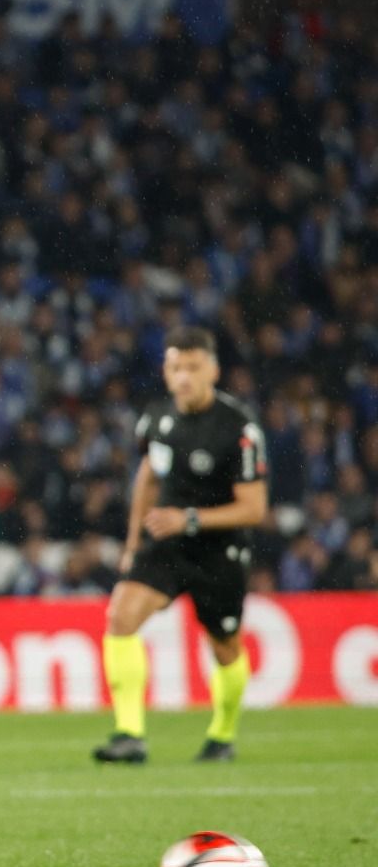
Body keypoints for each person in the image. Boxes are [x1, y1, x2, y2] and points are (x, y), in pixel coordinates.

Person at [94, 326, 268, 764]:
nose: (184, 377)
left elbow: (253, 509)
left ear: (213, 369)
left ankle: (221, 737)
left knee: (225, 645)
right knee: (120, 615)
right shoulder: (156, 419)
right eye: (176, 368)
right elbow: (148, 478)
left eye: (193, 367)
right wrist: (133, 542)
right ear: (166, 373)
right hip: (166, 543)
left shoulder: (239, 427)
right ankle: (129, 734)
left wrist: (190, 518)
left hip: (218, 549)